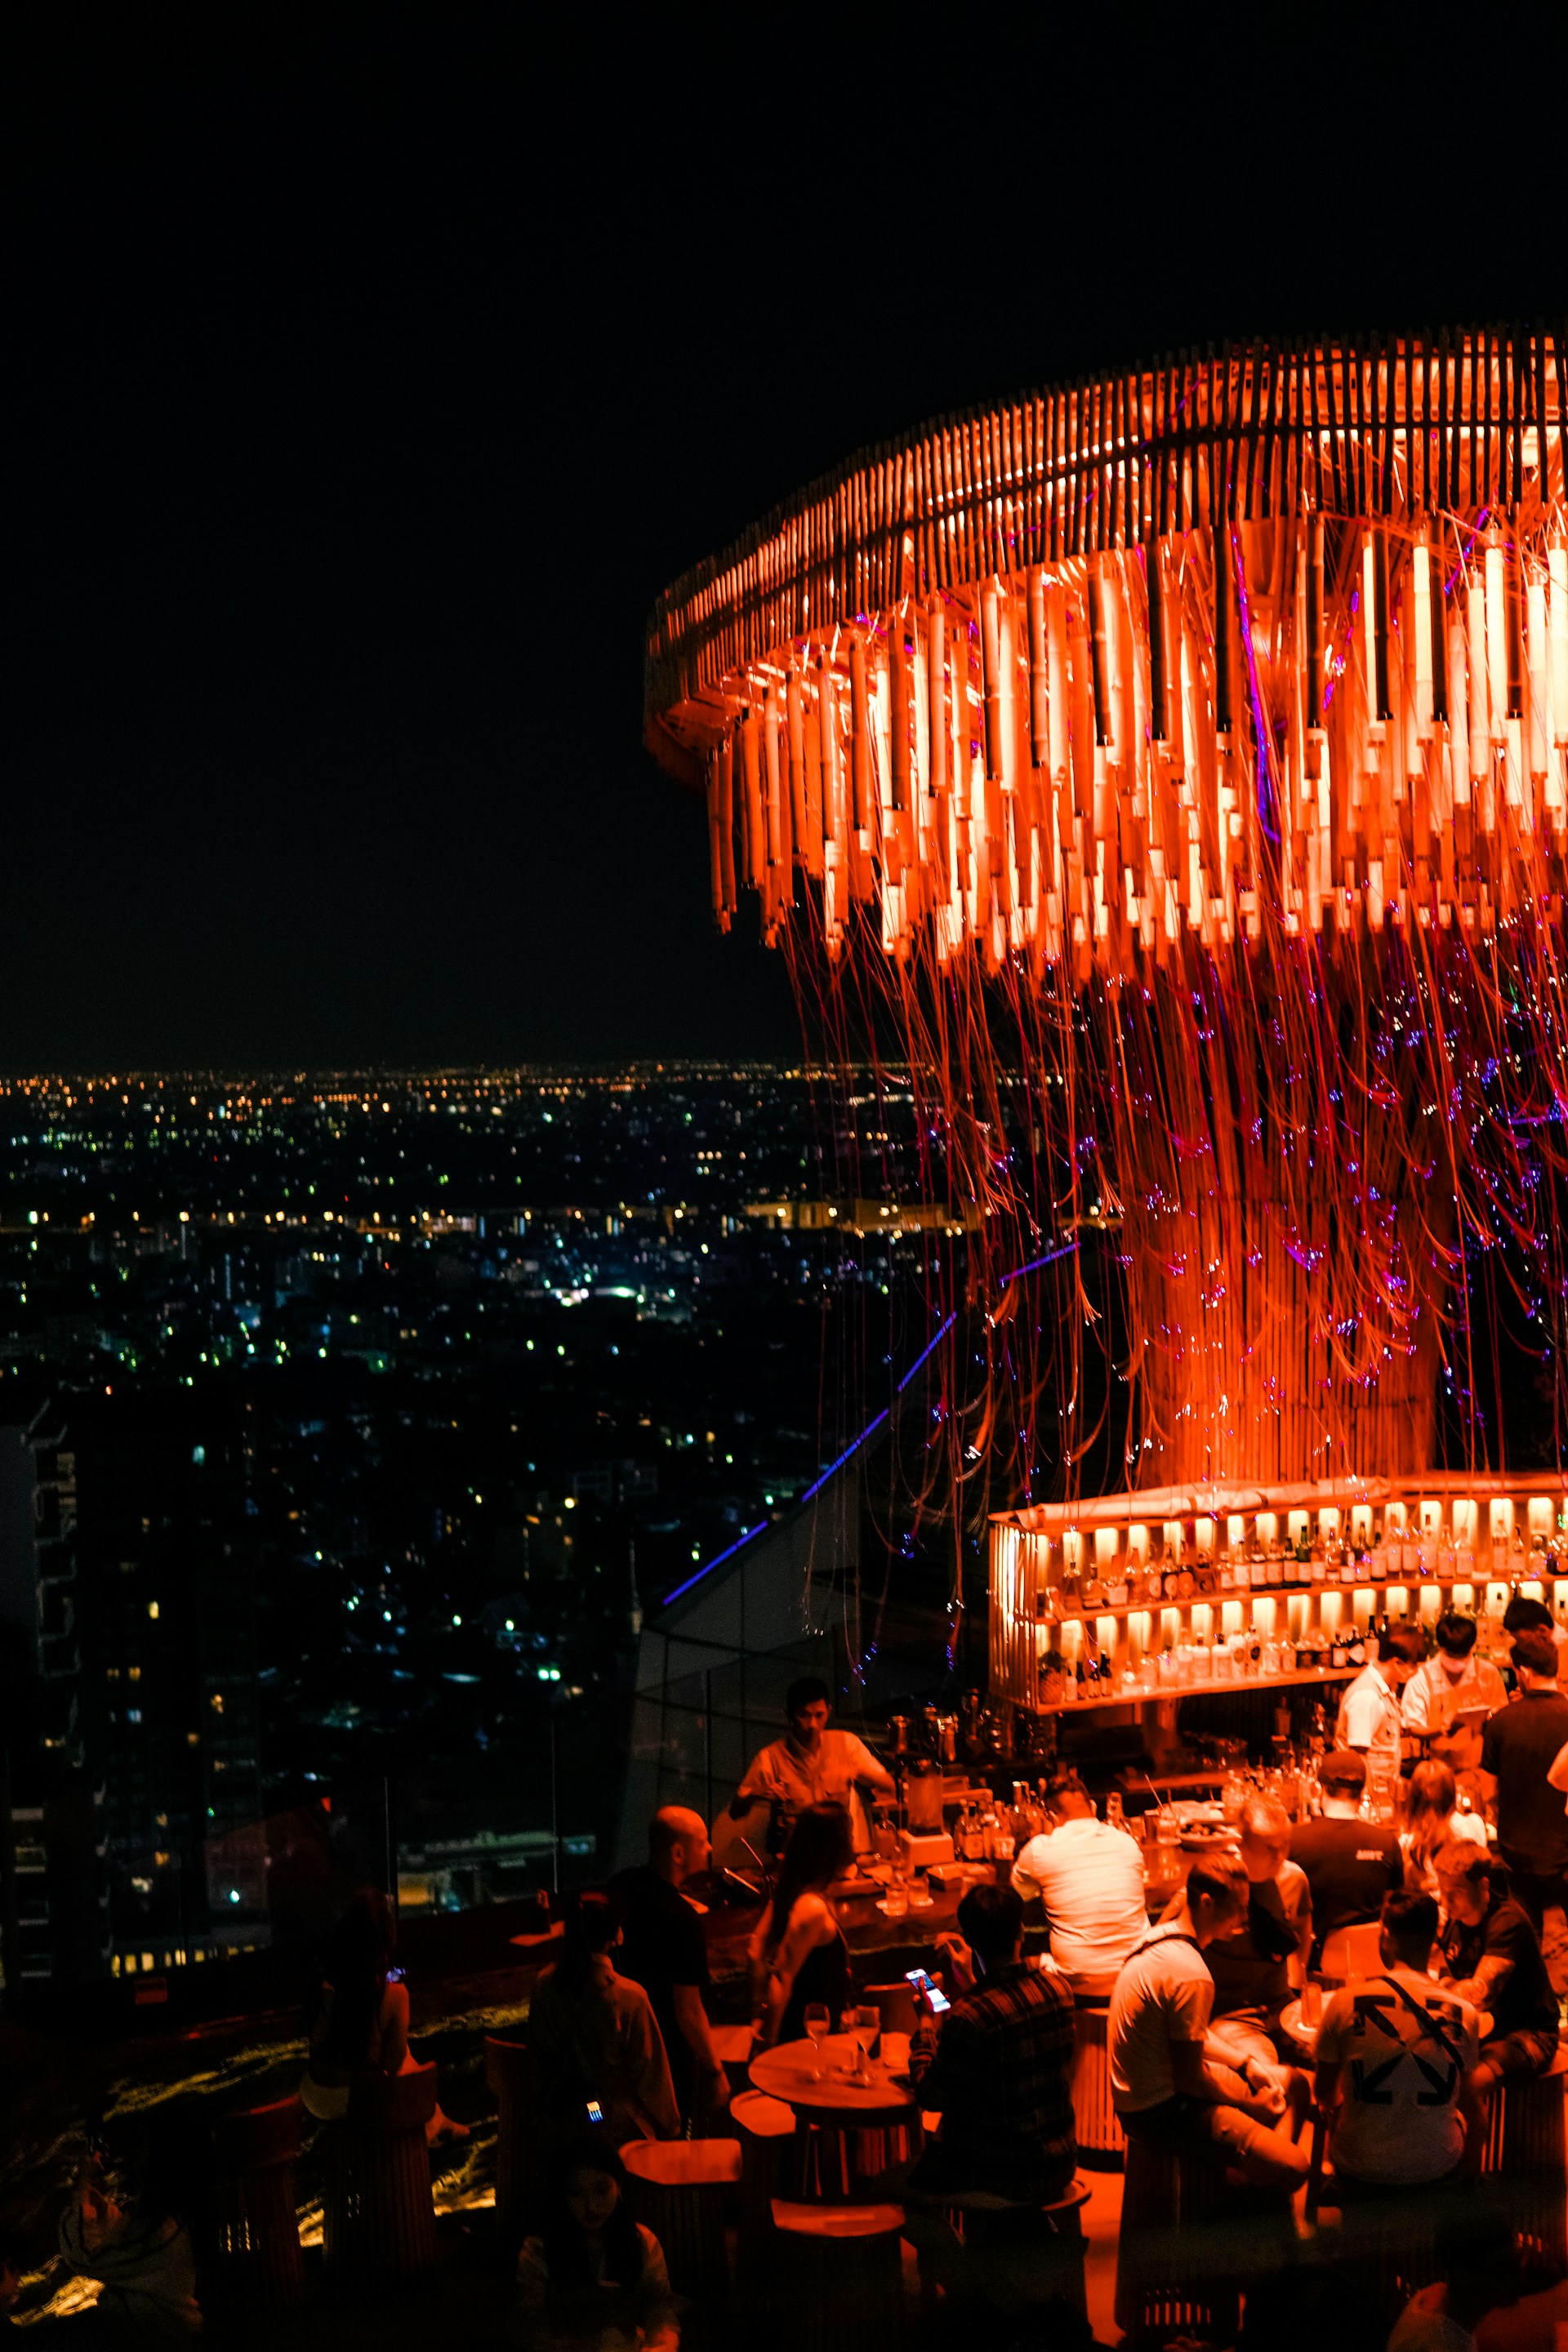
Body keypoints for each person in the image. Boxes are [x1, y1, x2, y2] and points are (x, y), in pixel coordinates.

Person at [1109, 1850, 1309, 2190]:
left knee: (1295, 2084)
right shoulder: (1191, 1974)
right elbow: (1190, 2080)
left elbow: (1193, 2035)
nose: (1246, 1916)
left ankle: (1254, 2179)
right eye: (1238, 1907)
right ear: (1206, 1903)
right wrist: (1249, 2107)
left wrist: (1246, 2064)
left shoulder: (1158, 1938)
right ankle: (1244, 2194)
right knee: (1295, 2165)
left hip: (1154, 2088)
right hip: (1157, 2109)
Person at [905, 1882, 1076, 2203]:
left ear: (969, 1940)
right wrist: (972, 1983)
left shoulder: (970, 2017)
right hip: (1060, 2164)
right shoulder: (1059, 1990)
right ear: (1021, 1932)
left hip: (998, 2172)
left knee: (897, 2188)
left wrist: (927, 2022)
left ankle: (955, 2251)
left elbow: (930, 2095)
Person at [1312, 1889, 1481, 2191]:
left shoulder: (1343, 2003)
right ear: (1434, 1941)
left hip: (1359, 2166)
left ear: (1386, 1935)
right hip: (1436, 2166)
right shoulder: (1464, 2013)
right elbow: (1469, 2104)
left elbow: (1323, 2092)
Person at [301, 1886, 466, 2144]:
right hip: (360, 2103)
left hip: (315, 2096)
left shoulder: (319, 1982)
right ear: (384, 1944)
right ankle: (436, 2128)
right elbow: (394, 2064)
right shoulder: (391, 1996)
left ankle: (440, 2123)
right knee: (406, 2064)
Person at [528, 1891, 679, 2145]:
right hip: (620, 2136)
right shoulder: (630, 1997)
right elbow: (653, 2078)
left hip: (559, 2130)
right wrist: (671, 2129)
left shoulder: (544, 1986)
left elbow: (537, 2059)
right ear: (616, 1936)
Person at [611, 1808, 729, 2125]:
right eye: (703, 1842)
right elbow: (688, 2012)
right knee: (673, 2135)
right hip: (663, 2061)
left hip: (617, 2052)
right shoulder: (683, 1920)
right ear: (678, 1853)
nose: (710, 1849)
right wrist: (716, 2070)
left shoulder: (621, 1885)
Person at [510, 2137, 678, 2352]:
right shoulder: (539, 2249)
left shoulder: (642, 2241)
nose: (591, 2205)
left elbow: (659, 2307)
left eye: (601, 2189)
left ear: (619, 2187)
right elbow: (529, 2324)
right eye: (576, 2193)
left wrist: (660, 2347)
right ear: (561, 2196)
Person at [1198, 1796, 1312, 2094]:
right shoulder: (1215, 1881)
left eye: (1285, 1845)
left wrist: (1298, 1986)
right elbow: (1173, 1939)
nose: (1279, 1856)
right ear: (1241, 1843)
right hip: (1235, 2017)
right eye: (1269, 1848)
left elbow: (1302, 1927)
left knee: (1346, 2055)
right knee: (1269, 2080)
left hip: (1285, 2007)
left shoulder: (1294, 1878)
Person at [1434, 1844, 1560, 2096]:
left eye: (1455, 1892)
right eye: (1442, 1891)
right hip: (1483, 2029)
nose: (1445, 1901)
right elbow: (1439, 1973)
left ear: (1482, 1886)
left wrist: (1444, 1989)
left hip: (1530, 2035)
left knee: (1466, 2087)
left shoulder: (1506, 1921)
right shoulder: (1453, 1922)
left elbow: (1479, 1996)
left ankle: (1473, 2136)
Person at [1009, 1767, 1149, 1987]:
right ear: (1093, 1807)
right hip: (1138, 1976)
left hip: (1076, 1982)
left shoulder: (1039, 1849)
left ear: (1052, 1817)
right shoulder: (1127, 1842)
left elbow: (1019, 1894)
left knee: (1018, 1963)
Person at [729, 1677, 894, 1854]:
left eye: (819, 1715)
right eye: (804, 1715)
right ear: (790, 1715)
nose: (813, 1725)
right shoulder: (770, 1757)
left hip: (840, 1852)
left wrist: (864, 1774)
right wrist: (757, 1794)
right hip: (796, 1856)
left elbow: (890, 1786)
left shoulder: (847, 1744)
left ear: (828, 1711)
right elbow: (735, 1812)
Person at [1476, 1628, 1568, 1936]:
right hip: (1566, 1851)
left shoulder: (1501, 1721)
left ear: (1524, 1672)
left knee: (1526, 1935)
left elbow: (1487, 1791)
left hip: (1519, 1853)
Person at [748, 1800, 853, 2045]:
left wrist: (755, 2011)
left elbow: (755, 1951)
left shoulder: (791, 1889)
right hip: (807, 2041)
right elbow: (782, 1979)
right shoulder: (812, 1908)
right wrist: (768, 2047)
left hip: (810, 2034)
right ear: (836, 1847)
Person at [1290, 1749, 1403, 1965]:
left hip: (1313, 1971)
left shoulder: (1294, 1841)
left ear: (1320, 1789)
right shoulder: (1387, 1844)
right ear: (1362, 1792)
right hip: (1373, 1967)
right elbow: (1390, 1910)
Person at [1400, 1612, 1507, 1773]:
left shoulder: (1488, 1673)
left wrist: (1486, 1722)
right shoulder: (1422, 1677)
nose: (1457, 1662)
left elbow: (1501, 1716)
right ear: (1441, 1648)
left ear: (1472, 1648)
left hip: (1481, 1767)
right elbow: (1412, 1726)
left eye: (1462, 1656)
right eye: (1451, 1656)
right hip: (1438, 1769)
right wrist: (1441, 1730)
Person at [1338, 1622, 1428, 1786]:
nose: (1416, 1671)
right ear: (1397, 1663)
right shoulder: (1367, 1696)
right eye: (1413, 1665)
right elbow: (1358, 1760)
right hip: (1370, 1797)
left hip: (1384, 1791)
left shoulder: (1384, 1690)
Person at [1401, 1759, 1487, 1900]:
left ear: (1414, 1800)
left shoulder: (1409, 1843)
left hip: (1433, 1914)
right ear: (1452, 1792)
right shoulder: (1474, 1823)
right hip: (1472, 1912)